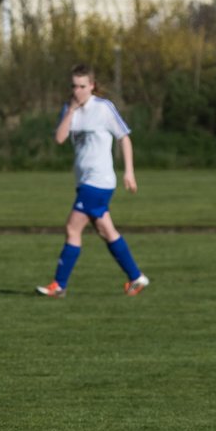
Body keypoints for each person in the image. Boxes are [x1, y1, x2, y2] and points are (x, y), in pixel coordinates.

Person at [37, 63, 150, 298]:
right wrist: (70, 111)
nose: (77, 91)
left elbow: (124, 137)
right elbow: (59, 139)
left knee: (72, 228)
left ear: (92, 86)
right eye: (73, 86)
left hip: (99, 181)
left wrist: (129, 172)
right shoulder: (70, 109)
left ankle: (59, 285)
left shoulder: (104, 108)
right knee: (106, 231)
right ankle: (136, 277)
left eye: (82, 86)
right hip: (84, 181)